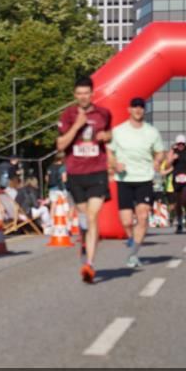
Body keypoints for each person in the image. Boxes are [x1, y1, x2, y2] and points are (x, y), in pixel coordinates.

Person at [56, 76, 112, 283]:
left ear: (92, 94)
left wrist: (107, 136)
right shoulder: (68, 115)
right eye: (79, 94)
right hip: (76, 173)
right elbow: (60, 145)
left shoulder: (103, 114)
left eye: (86, 93)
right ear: (74, 94)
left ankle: (89, 264)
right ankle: (85, 239)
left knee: (92, 216)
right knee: (84, 216)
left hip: (97, 172)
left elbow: (109, 134)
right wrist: (77, 126)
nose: (82, 97)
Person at [107, 96, 164, 268]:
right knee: (126, 221)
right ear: (129, 110)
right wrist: (115, 164)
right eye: (135, 106)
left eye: (141, 107)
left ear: (144, 110)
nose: (138, 109)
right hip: (124, 179)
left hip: (144, 178)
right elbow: (109, 152)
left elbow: (160, 151)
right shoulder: (118, 131)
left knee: (143, 216)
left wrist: (157, 161)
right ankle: (132, 238)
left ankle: (133, 255)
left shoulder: (152, 131)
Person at [167, 134, 186, 234]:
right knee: (178, 203)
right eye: (179, 144)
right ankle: (179, 222)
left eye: (182, 144)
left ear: (184, 144)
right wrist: (172, 159)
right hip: (176, 178)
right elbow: (167, 164)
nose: (180, 145)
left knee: (185, 198)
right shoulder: (172, 151)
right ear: (176, 144)